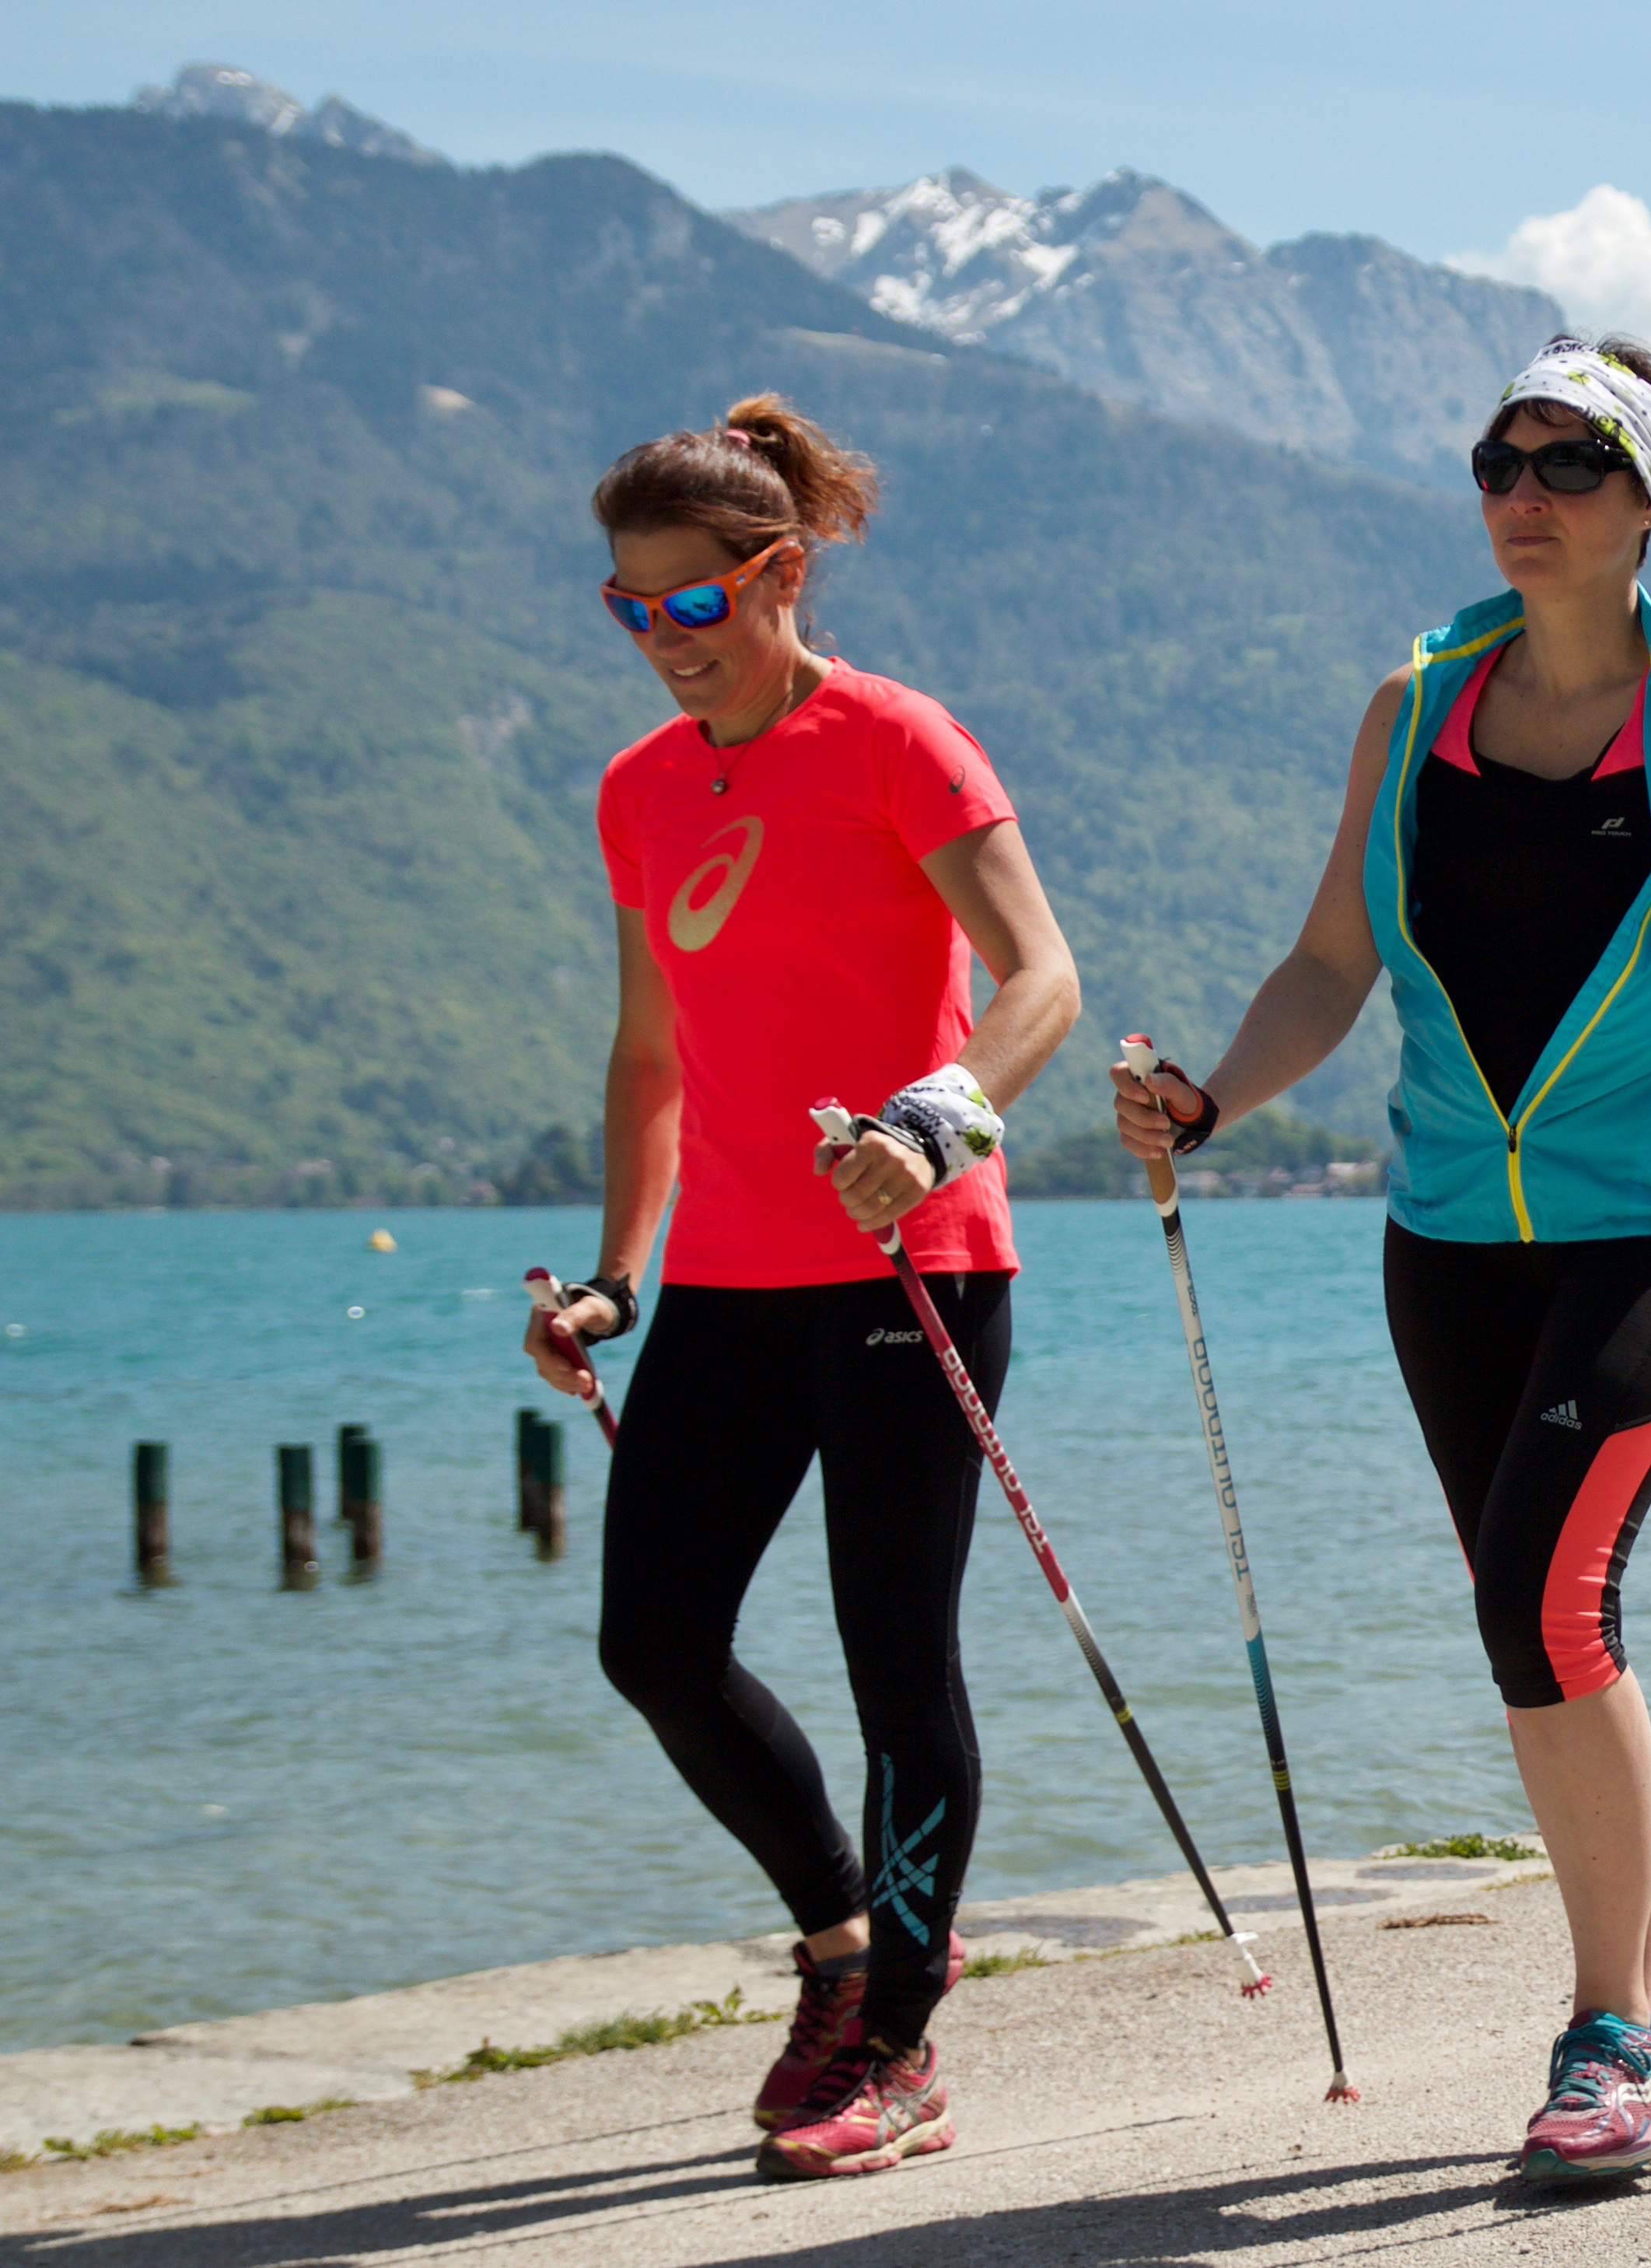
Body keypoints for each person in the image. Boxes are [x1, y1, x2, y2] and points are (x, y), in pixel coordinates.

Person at [1114, 337, 1651, 2184]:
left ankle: (1606, 2032)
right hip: (1448, 1239)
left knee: (1542, 1602)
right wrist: (1214, 1102)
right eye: (1496, 460)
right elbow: (1330, 961)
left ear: (1646, 499)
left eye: (1569, 464)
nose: (1522, 493)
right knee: (1550, 1617)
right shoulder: (1415, 697)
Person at [523, 397, 1083, 2178]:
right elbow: (646, 1055)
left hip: (911, 1262)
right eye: (625, 609)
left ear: (779, 575)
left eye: (690, 608)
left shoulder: (895, 742)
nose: (658, 643)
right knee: (654, 1643)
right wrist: (616, 1276)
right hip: (730, 1279)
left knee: (893, 1661)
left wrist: (935, 1122)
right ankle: (840, 1935)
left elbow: (1041, 977)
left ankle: (899, 2043)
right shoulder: (633, 789)